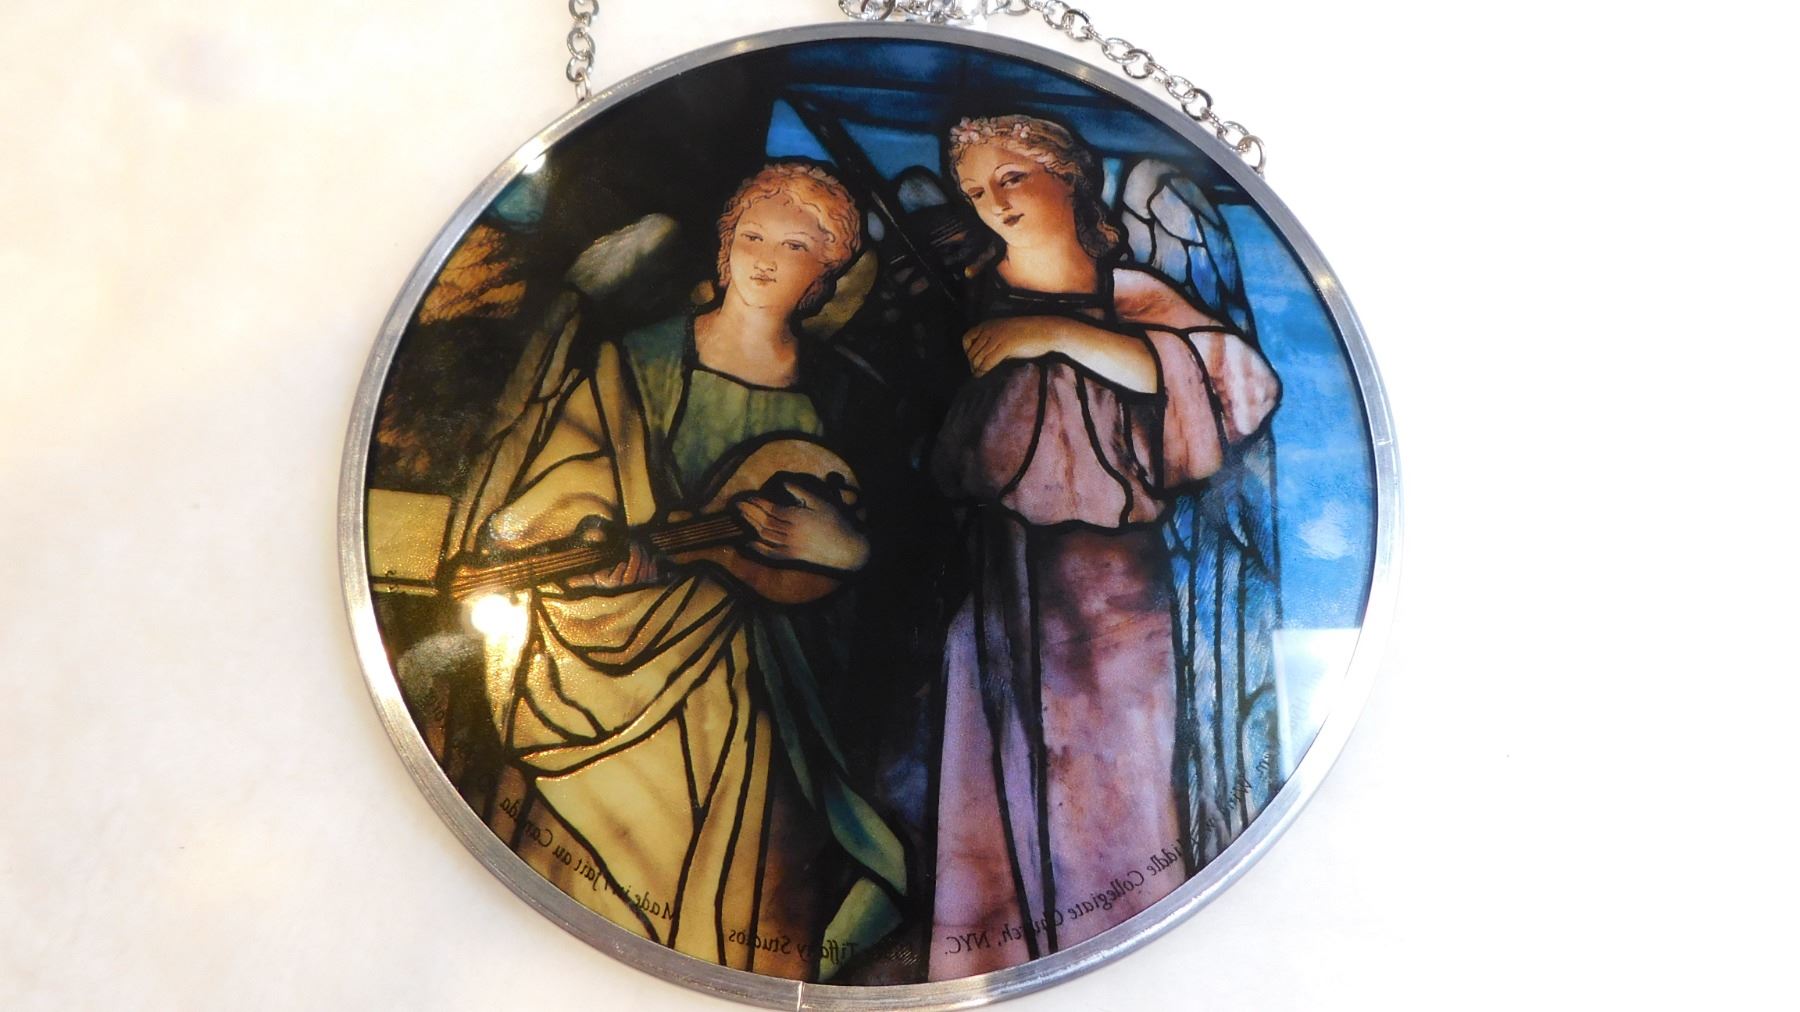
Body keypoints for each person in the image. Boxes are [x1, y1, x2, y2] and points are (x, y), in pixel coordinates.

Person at [467, 162, 907, 982]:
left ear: (830, 271)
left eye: (797, 246)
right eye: (752, 236)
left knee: (765, 886)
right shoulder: (634, 362)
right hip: (616, 660)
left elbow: (910, 554)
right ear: (724, 245)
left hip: (776, 689)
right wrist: (596, 536)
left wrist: (846, 552)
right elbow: (560, 483)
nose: (765, 259)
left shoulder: (850, 398)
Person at [926, 115, 1281, 979]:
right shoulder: (958, 301)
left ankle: (1130, 969)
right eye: (974, 190)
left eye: (1011, 176)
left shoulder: (1129, 294)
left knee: (1120, 786)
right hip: (993, 578)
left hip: (1115, 594)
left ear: (1071, 175)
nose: (992, 201)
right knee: (990, 794)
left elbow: (1242, 384)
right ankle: (993, 968)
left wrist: (1051, 334)